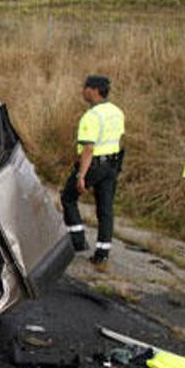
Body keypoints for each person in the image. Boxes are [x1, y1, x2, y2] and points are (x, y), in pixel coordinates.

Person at [60, 75, 125, 270]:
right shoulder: (117, 112)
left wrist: (81, 175)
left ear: (94, 90)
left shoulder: (91, 116)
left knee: (68, 197)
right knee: (105, 209)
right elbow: (119, 140)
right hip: (112, 164)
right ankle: (102, 254)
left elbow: (89, 148)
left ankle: (78, 241)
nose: (82, 91)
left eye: (85, 87)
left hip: (94, 165)